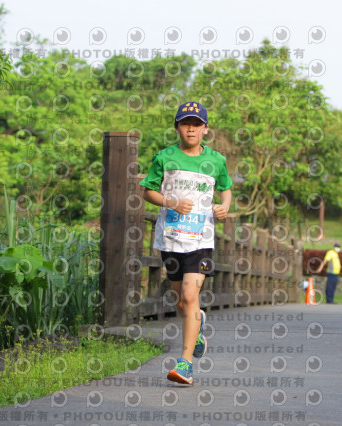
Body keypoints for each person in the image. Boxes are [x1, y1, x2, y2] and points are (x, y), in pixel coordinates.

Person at [140, 101, 233, 385]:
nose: (190, 129)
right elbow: (148, 191)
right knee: (182, 303)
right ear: (177, 128)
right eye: (185, 123)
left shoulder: (216, 160)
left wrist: (223, 207)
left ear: (206, 129)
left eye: (196, 124)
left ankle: (185, 363)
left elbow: (226, 187)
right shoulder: (164, 157)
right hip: (170, 237)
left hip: (200, 238)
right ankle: (199, 322)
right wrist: (171, 202)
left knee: (191, 296)